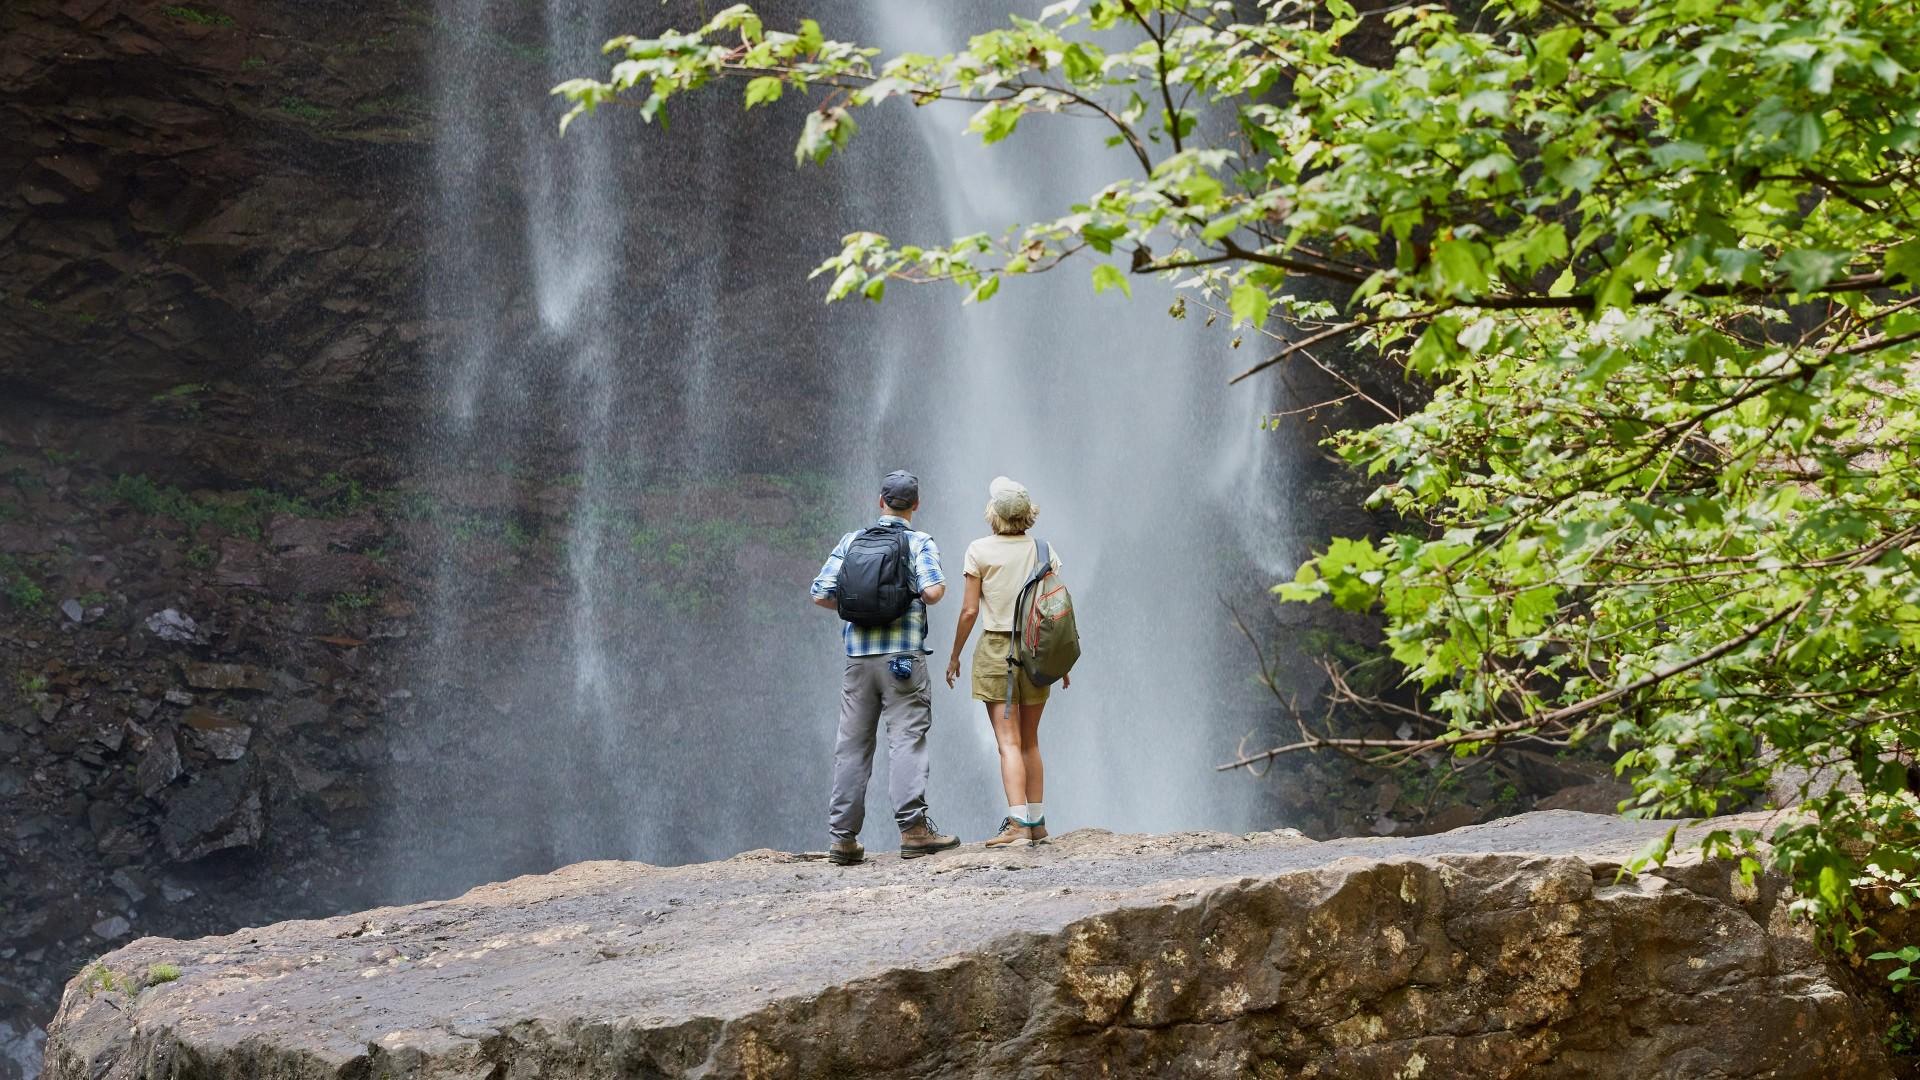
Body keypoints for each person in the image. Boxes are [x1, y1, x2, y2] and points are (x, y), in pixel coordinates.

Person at [809, 470, 962, 866]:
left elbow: (820, 594)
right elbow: (933, 591)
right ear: (915, 504)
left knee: (852, 747)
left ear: (880, 501)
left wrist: (860, 605)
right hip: (903, 662)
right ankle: (913, 831)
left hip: (858, 661)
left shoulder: (851, 540)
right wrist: (907, 595)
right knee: (906, 740)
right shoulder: (918, 542)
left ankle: (842, 839)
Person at [944, 476, 1067, 848]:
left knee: (1008, 743)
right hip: (1036, 652)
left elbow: (968, 611)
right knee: (1030, 741)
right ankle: (1038, 822)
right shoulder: (1044, 551)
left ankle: (1017, 825)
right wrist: (1063, 663)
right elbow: (1056, 610)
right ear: (1028, 515)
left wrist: (954, 655)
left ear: (993, 514)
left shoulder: (978, 551)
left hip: (998, 651)